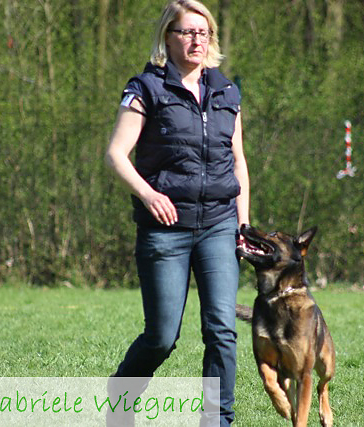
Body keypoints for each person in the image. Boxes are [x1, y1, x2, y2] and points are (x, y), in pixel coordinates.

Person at [104, 1, 250, 425]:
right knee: (162, 337)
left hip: (220, 225)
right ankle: (122, 393)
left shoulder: (226, 91)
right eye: (187, 32)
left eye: (203, 33)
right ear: (167, 38)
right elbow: (116, 154)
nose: (196, 41)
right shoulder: (146, 88)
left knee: (222, 329)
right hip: (164, 229)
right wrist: (149, 195)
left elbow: (238, 162)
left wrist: (242, 224)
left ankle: (217, 420)